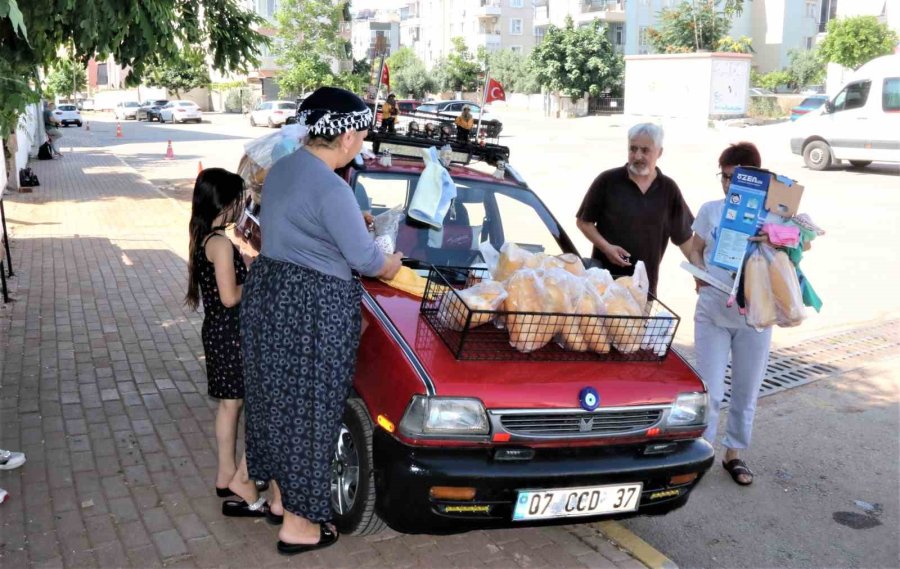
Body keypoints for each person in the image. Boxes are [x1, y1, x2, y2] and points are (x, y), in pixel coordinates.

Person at [240, 86, 403, 556]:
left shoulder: (285, 168)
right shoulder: (333, 187)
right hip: (312, 307)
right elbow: (366, 261)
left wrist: (353, 220)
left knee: (274, 403)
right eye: (362, 134)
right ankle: (301, 525)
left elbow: (300, 226)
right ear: (348, 135)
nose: (362, 143)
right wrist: (391, 261)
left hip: (271, 294)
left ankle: (277, 497)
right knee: (312, 411)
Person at [687, 142, 802, 486]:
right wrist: (699, 274)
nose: (727, 185)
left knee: (746, 389)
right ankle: (701, 451)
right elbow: (695, 249)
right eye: (723, 177)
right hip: (713, 311)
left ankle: (734, 454)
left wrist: (775, 233)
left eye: (734, 179)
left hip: (756, 314)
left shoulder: (774, 214)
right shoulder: (710, 210)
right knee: (711, 390)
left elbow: (803, 240)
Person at [185, 168, 267, 515]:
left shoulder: (205, 237)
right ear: (227, 202)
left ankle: (225, 474)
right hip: (230, 333)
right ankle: (237, 479)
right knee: (238, 405)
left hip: (217, 330)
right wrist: (259, 278)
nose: (242, 207)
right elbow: (231, 296)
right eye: (239, 200)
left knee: (228, 405)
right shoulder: (220, 243)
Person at [575, 123, 694, 295]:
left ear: (659, 152)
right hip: (603, 285)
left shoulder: (668, 189)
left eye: (645, 150)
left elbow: (684, 238)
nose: (637, 156)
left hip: (643, 288)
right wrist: (607, 248)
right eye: (633, 149)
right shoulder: (607, 181)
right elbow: (583, 222)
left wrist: (701, 273)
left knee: (639, 323)